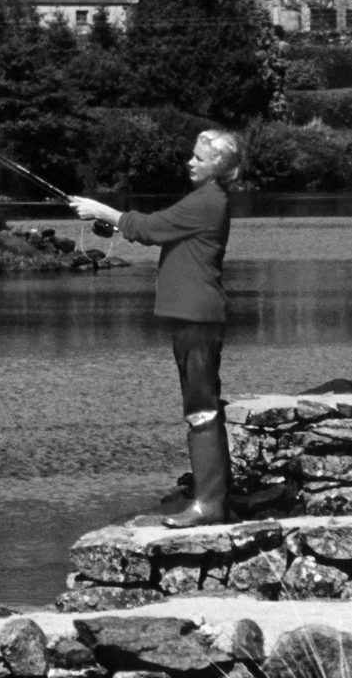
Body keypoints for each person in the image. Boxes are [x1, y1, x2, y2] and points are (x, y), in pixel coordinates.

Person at [69, 129, 241, 528]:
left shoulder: (207, 201)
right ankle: (212, 499)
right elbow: (156, 229)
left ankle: (209, 504)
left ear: (218, 166)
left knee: (201, 410)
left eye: (199, 158)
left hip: (197, 318)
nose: (190, 162)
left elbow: (151, 227)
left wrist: (102, 210)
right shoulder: (206, 200)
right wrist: (116, 223)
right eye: (192, 155)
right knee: (201, 407)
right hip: (193, 317)